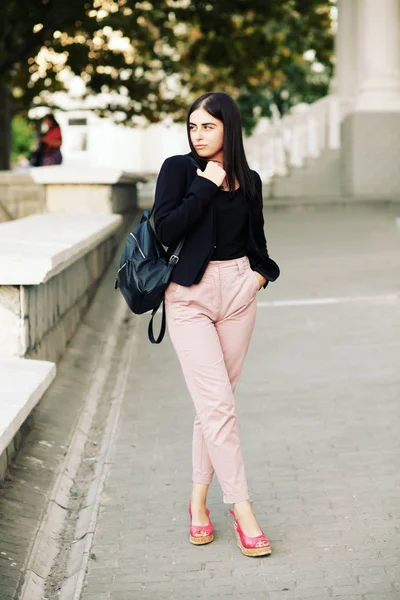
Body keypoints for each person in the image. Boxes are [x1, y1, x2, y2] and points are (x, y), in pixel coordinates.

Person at [154, 92, 280, 557]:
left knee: (215, 406)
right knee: (219, 409)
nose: (198, 134)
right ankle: (242, 509)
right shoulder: (178, 169)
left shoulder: (250, 180)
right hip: (189, 297)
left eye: (207, 126)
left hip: (238, 294)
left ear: (229, 127)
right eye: (193, 126)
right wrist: (205, 185)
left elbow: (259, 243)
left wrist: (259, 277)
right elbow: (165, 229)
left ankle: (197, 502)